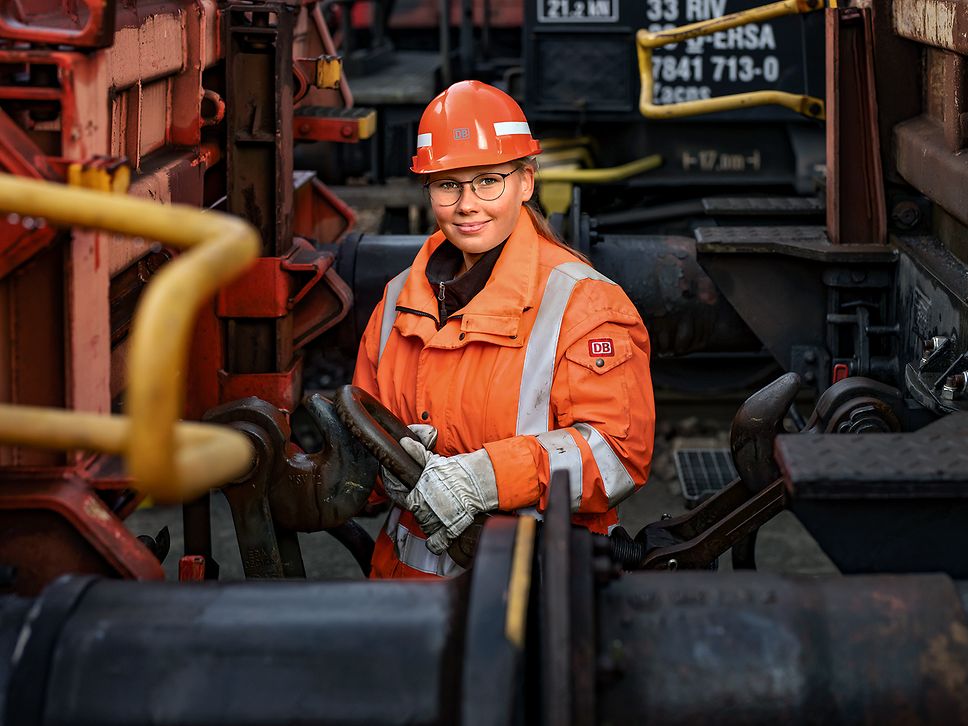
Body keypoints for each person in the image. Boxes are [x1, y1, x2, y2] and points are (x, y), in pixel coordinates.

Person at [352, 80, 655, 578]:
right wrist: (377, 470)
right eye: (448, 184)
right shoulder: (397, 301)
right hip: (404, 602)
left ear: (526, 182)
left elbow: (617, 455)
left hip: (535, 598)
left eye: (488, 181)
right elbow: (362, 441)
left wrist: (484, 478)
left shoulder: (586, 303)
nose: (468, 204)